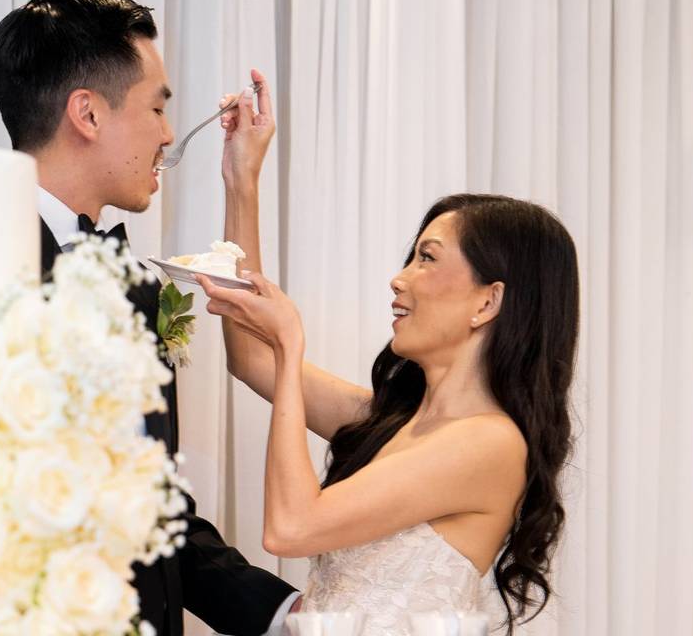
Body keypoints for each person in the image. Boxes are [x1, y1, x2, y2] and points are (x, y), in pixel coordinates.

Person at [200, 84, 580, 635]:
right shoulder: (392, 421)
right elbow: (252, 357)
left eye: (428, 259)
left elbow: (290, 527)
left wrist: (291, 343)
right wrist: (242, 182)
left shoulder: (490, 442)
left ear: (488, 301)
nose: (399, 278)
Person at [0, 0, 297, 634]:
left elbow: (145, 504)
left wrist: (285, 615)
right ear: (88, 113)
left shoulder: (131, 287)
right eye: (157, 107)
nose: (168, 133)